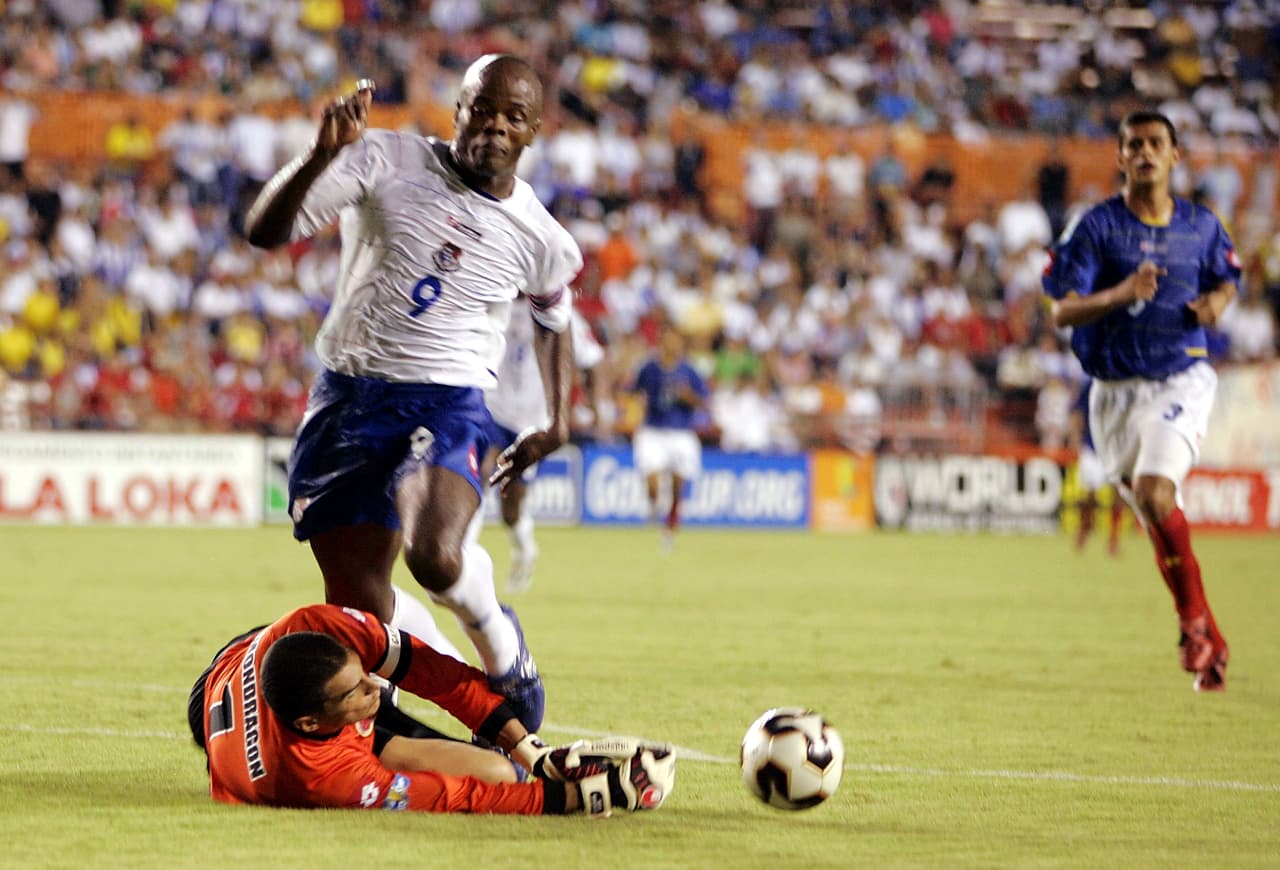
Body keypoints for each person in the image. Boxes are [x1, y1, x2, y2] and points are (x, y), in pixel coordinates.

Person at [243, 56, 582, 733]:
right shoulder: (383, 158)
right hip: (345, 398)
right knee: (361, 606)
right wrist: (318, 157)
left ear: (534, 131)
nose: (493, 125)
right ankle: (444, 719)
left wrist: (558, 422)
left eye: (512, 116)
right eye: (481, 107)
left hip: (446, 399)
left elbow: (554, 318)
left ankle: (502, 648)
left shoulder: (541, 237)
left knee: (434, 554)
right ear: (456, 109)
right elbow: (264, 231)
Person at [1043, 110, 1240, 692]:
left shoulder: (1202, 227)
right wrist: (1123, 292)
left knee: (1157, 493)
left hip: (1180, 379)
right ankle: (1213, 636)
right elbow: (1062, 310)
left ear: (1175, 155)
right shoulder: (1096, 228)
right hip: (1113, 395)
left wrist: (1218, 304)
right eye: (1134, 145)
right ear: (1120, 158)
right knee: (1154, 515)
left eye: (1156, 143)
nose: (1145, 153)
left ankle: (1191, 625)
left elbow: (1229, 276)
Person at [187, 603, 675, 816]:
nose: (376, 686)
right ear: (312, 722)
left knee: (507, 766)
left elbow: (428, 671)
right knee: (498, 779)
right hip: (232, 719)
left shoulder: (310, 625)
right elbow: (450, 798)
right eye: (356, 690)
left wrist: (529, 749)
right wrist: (576, 799)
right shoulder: (322, 778)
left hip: (244, 662)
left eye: (364, 671)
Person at [478, 306, 605, 593]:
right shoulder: (499, 299)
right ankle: (460, 555)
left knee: (511, 508)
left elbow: (592, 359)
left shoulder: (560, 310)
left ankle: (525, 550)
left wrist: (594, 406)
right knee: (480, 472)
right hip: (493, 410)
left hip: (532, 423)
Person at [627, 328, 709, 550]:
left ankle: (670, 529)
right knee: (652, 482)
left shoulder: (690, 371)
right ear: (661, 342)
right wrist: (636, 405)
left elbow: (704, 402)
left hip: (681, 433)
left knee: (677, 486)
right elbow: (634, 391)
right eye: (668, 340)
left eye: (676, 341)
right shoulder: (649, 368)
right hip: (653, 431)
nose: (672, 345)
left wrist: (688, 396)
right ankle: (654, 506)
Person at [1069, 378, 1124, 556]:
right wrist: (1076, 437)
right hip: (1092, 446)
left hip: (1115, 448)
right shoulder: (1090, 384)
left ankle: (1114, 538)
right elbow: (1077, 411)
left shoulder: (1123, 384)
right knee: (1089, 495)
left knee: (1118, 493)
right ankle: (1084, 531)